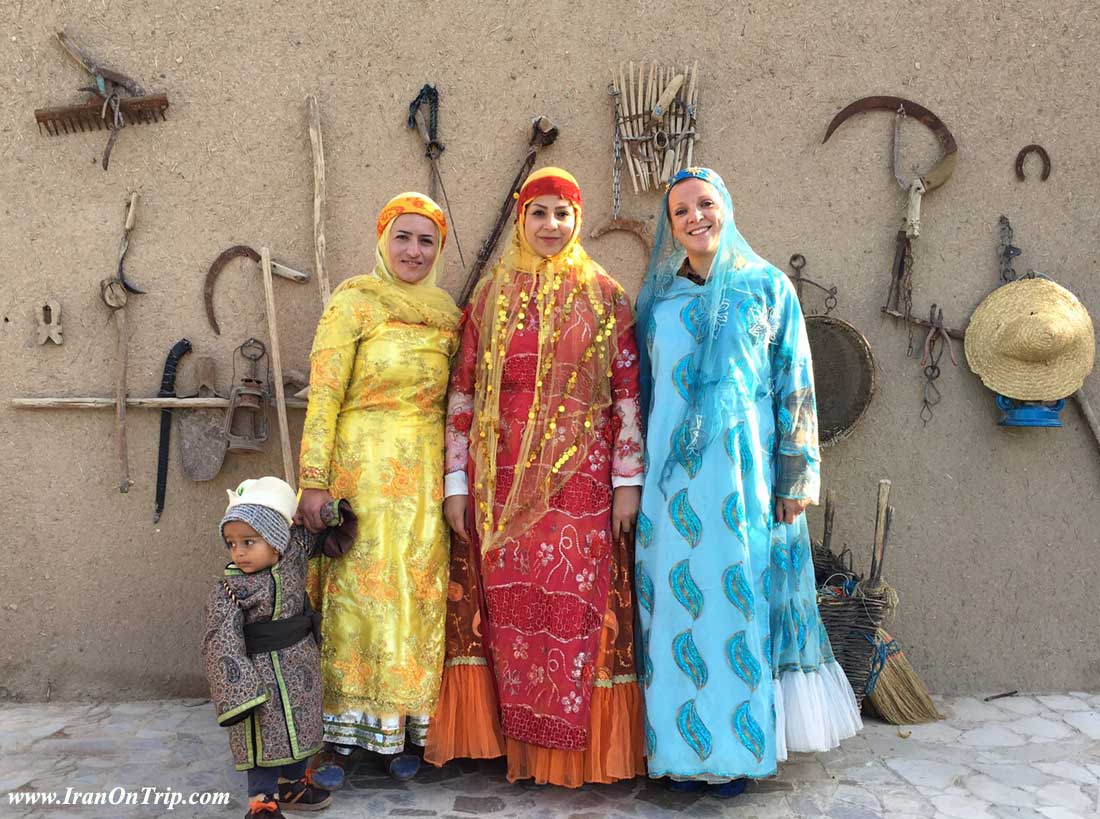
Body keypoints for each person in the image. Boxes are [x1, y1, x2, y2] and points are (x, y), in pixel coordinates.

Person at [633, 167, 862, 796]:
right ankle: (680, 755)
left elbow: (797, 387)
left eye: (705, 204)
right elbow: (640, 397)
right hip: (673, 488)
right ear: (669, 225)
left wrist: (797, 474)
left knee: (737, 610)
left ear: (726, 208)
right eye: (680, 211)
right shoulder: (657, 302)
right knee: (678, 616)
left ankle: (736, 754)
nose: (695, 217)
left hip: (747, 486)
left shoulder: (768, 288)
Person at [424, 167, 646, 787]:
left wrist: (628, 482)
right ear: (521, 220)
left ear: (578, 221)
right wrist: (456, 486)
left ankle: (577, 750)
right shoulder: (490, 297)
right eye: (539, 214)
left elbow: (628, 394)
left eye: (563, 213)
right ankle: (509, 742)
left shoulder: (606, 296)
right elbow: (462, 395)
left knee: (574, 607)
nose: (551, 226)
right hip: (498, 480)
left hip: (583, 478)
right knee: (512, 608)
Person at [296, 192, 461, 782]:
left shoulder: (446, 313)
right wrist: (314, 482)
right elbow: (323, 396)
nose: (413, 251)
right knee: (356, 600)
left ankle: (401, 736)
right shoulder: (354, 303)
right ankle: (341, 742)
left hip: (422, 480)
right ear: (382, 241)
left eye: (426, 241)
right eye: (403, 237)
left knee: (416, 597)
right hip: (359, 472)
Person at [202, 477, 333, 819]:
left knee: (300, 726)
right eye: (231, 543)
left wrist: (332, 511)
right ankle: (261, 801)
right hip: (259, 676)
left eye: (249, 541)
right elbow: (221, 639)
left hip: (298, 665)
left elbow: (313, 532)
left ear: (277, 542)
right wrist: (240, 690)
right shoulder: (229, 590)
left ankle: (293, 786)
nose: (239, 552)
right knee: (262, 736)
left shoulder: (292, 559)